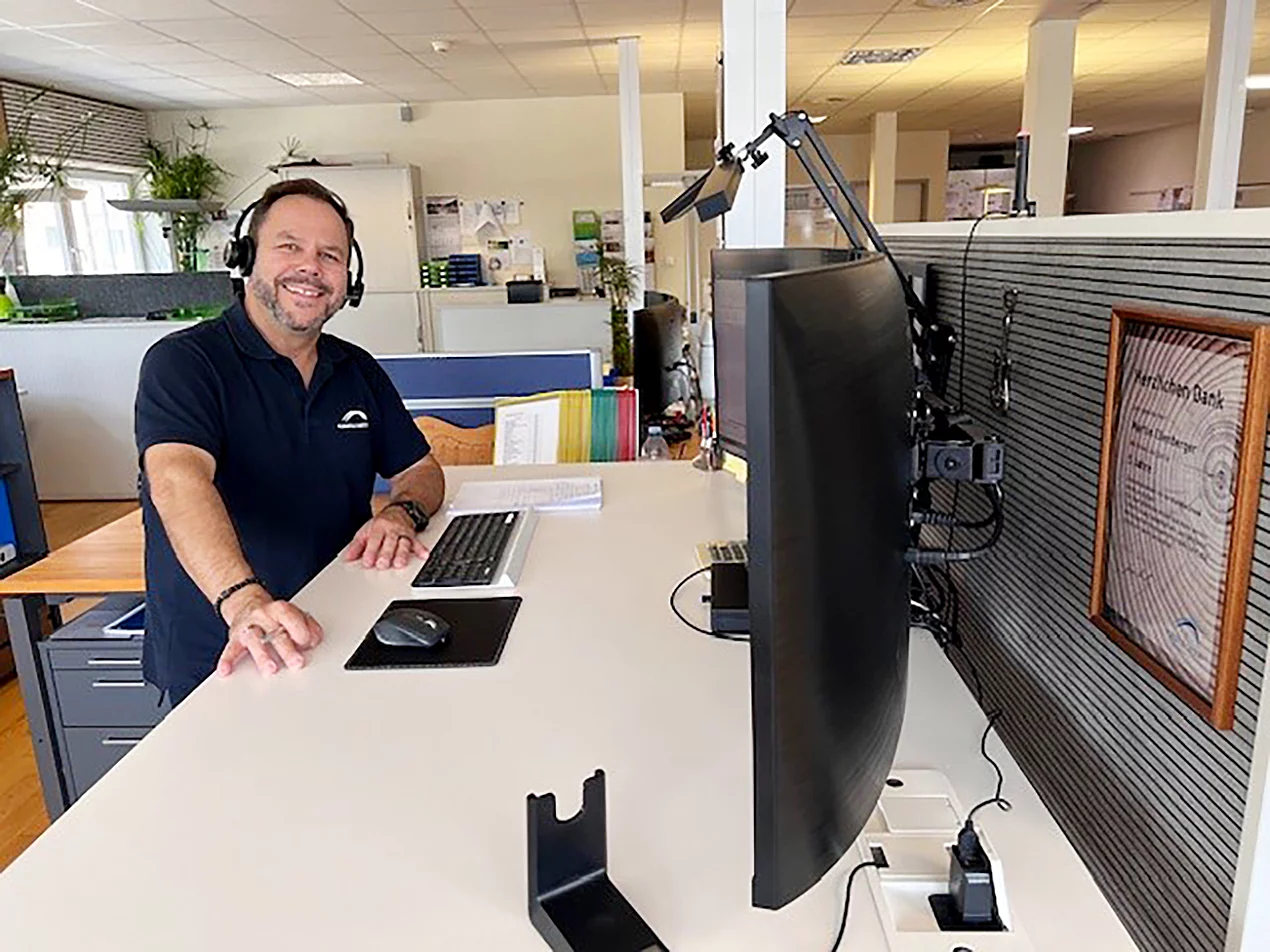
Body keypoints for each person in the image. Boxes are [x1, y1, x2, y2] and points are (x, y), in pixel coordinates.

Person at [134, 179, 444, 705]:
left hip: (340, 626)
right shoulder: (185, 363)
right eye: (290, 246)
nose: (310, 267)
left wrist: (400, 514)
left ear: (349, 279)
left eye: (330, 255)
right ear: (246, 257)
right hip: (227, 651)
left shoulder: (356, 370)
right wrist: (243, 601)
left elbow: (421, 470)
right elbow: (177, 481)